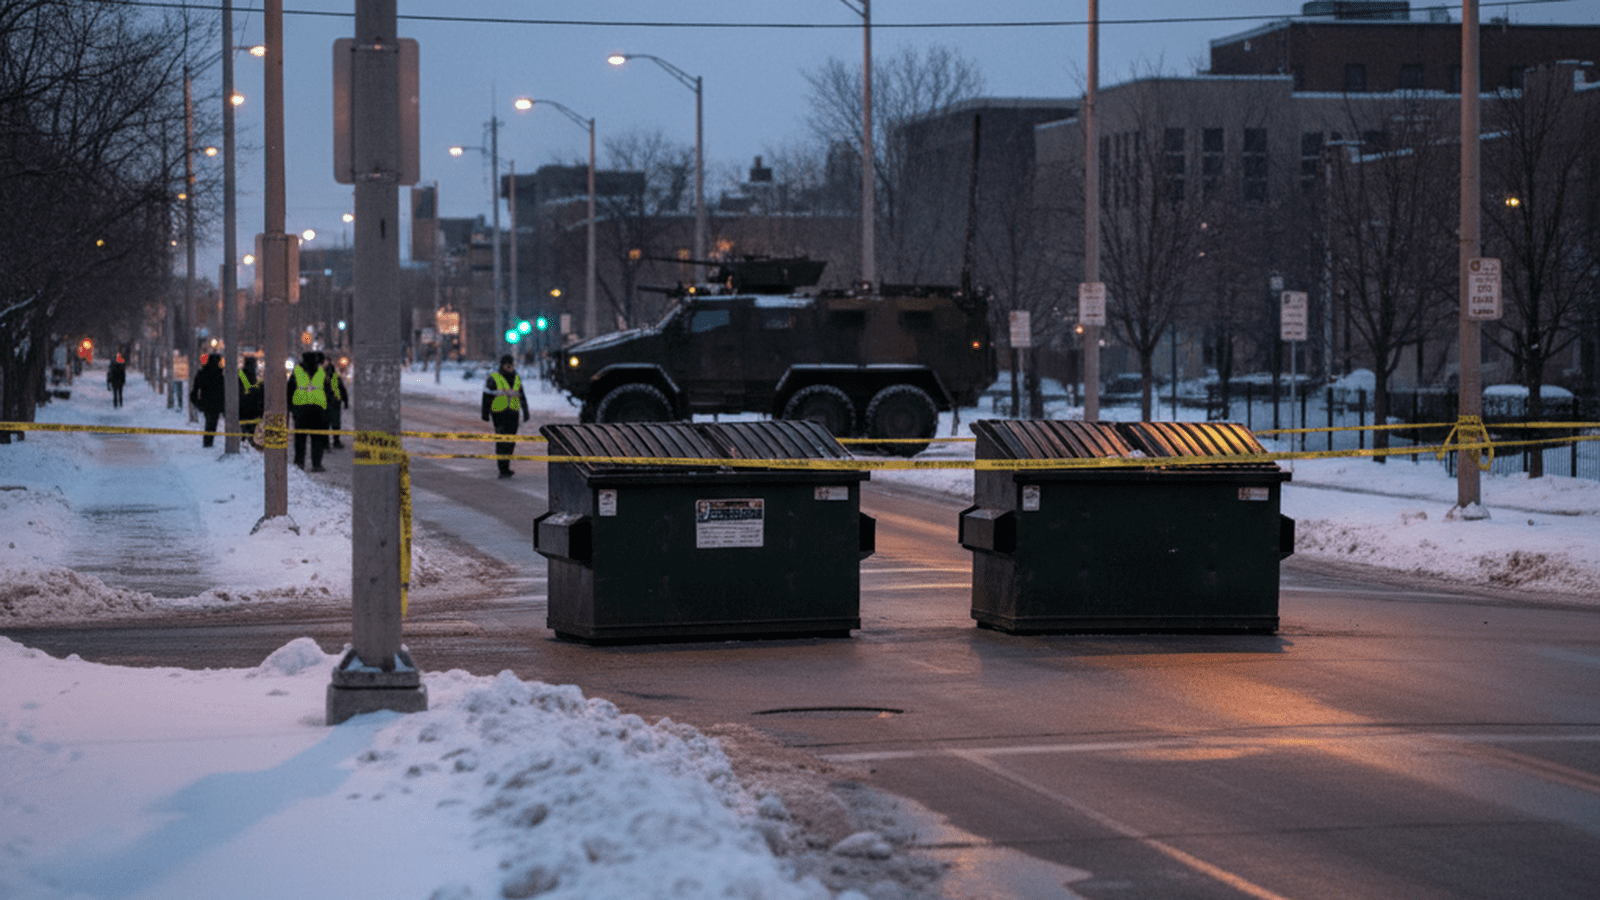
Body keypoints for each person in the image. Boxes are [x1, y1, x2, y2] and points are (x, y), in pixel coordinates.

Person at [481, 354, 529, 478]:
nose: (509, 366)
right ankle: (503, 468)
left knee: (511, 441)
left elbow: (521, 395)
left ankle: (506, 466)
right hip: (499, 413)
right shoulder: (494, 378)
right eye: (507, 364)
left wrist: (526, 411)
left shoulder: (516, 378)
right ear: (502, 365)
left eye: (511, 363)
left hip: (513, 412)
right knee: (502, 441)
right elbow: (486, 397)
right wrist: (485, 413)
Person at [288, 350, 330, 472]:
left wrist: (292, 408)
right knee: (317, 439)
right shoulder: (322, 372)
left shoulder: (297, 372)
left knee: (300, 439)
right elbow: (328, 391)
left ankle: (299, 463)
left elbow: (289, 390)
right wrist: (326, 409)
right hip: (317, 410)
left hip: (301, 410)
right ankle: (316, 464)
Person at [189, 353, 227, 448]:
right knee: (212, 424)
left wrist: (198, 404)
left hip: (206, 404)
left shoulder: (202, 373)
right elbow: (224, 392)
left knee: (209, 423)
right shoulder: (221, 375)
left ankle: (208, 443)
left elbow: (194, 393)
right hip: (217, 405)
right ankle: (208, 443)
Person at [322, 357, 348, 449]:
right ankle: (334, 442)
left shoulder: (324, 375)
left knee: (329, 424)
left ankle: (328, 443)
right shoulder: (332, 375)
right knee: (333, 424)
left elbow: (342, 389)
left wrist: (345, 401)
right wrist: (345, 401)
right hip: (332, 402)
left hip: (331, 403)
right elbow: (342, 389)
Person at [238, 356, 264, 442]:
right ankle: (248, 440)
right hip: (253, 407)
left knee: (245, 427)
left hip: (243, 407)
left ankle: (245, 440)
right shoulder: (254, 376)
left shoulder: (241, 374)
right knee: (250, 429)